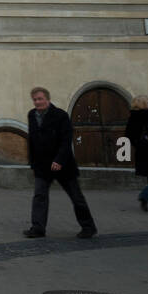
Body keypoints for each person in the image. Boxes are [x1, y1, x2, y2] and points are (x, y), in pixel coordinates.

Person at [24, 86, 97, 238]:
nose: (37, 102)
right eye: (35, 100)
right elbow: (32, 140)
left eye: (40, 99)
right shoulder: (32, 115)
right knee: (39, 196)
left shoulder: (60, 115)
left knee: (76, 197)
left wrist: (59, 160)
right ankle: (38, 228)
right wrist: (32, 162)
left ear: (48, 99)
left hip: (63, 165)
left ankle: (88, 227)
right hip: (42, 165)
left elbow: (66, 140)